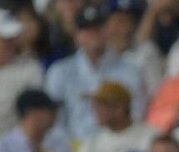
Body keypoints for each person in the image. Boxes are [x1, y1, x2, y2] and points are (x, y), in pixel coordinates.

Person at [43, 5, 145, 142]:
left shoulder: (130, 70)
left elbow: (137, 114)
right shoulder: (59, 72)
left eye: (99, 28)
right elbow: (53, 122)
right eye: (87, 30)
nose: (93, 34)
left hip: (119, 143)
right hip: (73, 146)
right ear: (76, 36)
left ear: (108, 30)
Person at [72, 81, 156, 152]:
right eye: (94, 106)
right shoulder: (91, 142)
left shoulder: (150, 137)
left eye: (100, 106)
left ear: (119, 108)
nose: (94, 110)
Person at [0, 89, 72, 152]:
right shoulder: (4, 148)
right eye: (50, 111)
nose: (55, 116)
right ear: (32, 113)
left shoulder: (59, 146)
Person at [0, 8, 43, 135]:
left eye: (13, 38)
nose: (11, 43)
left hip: (15, 141)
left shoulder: (29, 68)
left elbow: (34, 113)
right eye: (4, 38)